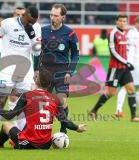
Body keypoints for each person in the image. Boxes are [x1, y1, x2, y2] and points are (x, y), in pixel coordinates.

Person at [0, 67, 87, 149]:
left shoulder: (27, 96)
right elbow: (65, 121)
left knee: (6, 125)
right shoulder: (55, 99)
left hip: (27, 143)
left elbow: (9, 115)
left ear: (37, 81)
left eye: (36, 76)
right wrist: (78, 128)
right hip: (46, 145)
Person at [0, 6, 41, 147]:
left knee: (25, 104)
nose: (32, 24)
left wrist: (33, 37)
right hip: (6, 69)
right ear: (25, 15)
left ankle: (22, 137)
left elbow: (36, 53)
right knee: (1, 101)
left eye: (34, 22)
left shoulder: (36, 28)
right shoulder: (7, 23)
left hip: (25, 71)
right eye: (30, 21)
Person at [89, 14, 139, 122]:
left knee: (131, 89)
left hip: (124, 68)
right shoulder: (112, 34)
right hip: (115, 68)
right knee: (111, 92)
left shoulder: (124, 33)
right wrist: (126, 62)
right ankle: (94, 110)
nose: (123, 23)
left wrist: (127, 63)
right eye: (120, 21)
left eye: (125, 21)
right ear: (116, 21)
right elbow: (113, 52)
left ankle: (133, 116)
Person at [34, 4, 80, 133]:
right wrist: (36, 70)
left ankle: (63, 130)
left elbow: (76, 54)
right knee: (41, 102)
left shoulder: (70, 33)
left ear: (63, 17)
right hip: (45, 71)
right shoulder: (42, 31)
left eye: (56, 15)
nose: (52, 18)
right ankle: (40, 129)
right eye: (51, 15)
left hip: (62, 71)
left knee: (61, 100)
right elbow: (36, 52)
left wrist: (70, 72)